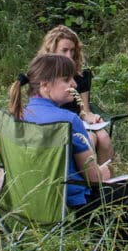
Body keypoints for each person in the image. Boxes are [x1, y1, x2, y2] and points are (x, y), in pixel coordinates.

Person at [8, 52, 128, 244]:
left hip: (24, 203)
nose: (74, 84)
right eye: (66, 80)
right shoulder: (68, 121)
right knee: (120, 191)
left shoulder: (16, 117)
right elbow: (93, 178)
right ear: (45, 85)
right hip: (65, 206)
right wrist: (105, 171)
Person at [39, 24, 115, 170]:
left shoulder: (81, 75)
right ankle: (83, 178)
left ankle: (104, 180)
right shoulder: (43, 76)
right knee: (89, 139)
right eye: (64, 50)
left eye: (72, 50)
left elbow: (84, 110)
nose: (69, 56)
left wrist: (92, 117)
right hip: (57, 123)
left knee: (104, 138)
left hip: (79, 120)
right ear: (52, 50)